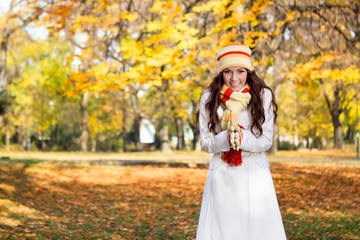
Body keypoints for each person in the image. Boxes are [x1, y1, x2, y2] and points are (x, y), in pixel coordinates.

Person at [196, 44, 287, 240]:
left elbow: (265, 140)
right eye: (227, 71)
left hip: (254, 176)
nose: (234, 78)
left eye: (240, 71)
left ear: (248, 71)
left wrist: (242, 138)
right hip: (222, 174)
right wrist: (226, 139)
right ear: (221, 73)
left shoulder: (263, 96)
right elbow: (206, 142)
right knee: (223, 231)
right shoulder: (208, 97)